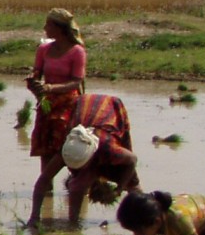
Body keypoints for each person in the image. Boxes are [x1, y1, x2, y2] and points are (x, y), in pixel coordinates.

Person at [27, 8, 87, 226]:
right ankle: (47, 189)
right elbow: (36, 72)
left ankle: (78, 185)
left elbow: (76, 82)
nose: (44, 28)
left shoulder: (77, 51)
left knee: (67, 146)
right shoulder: (44, 49)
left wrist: (50, 87)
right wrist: (33, 81)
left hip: (68, 104)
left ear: (59, 28)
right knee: (45, 146)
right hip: (47, 103)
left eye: (48, 25)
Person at [49, 93, 140, 226]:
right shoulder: (69, 150)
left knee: (133, 183)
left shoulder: (110, 149)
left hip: (110, 114)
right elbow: (43, 180)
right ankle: (73, 221)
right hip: (84, 118)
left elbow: (132, 160)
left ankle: (142, 219)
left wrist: (119, 188)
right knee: (78, 186)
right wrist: (34, 217)